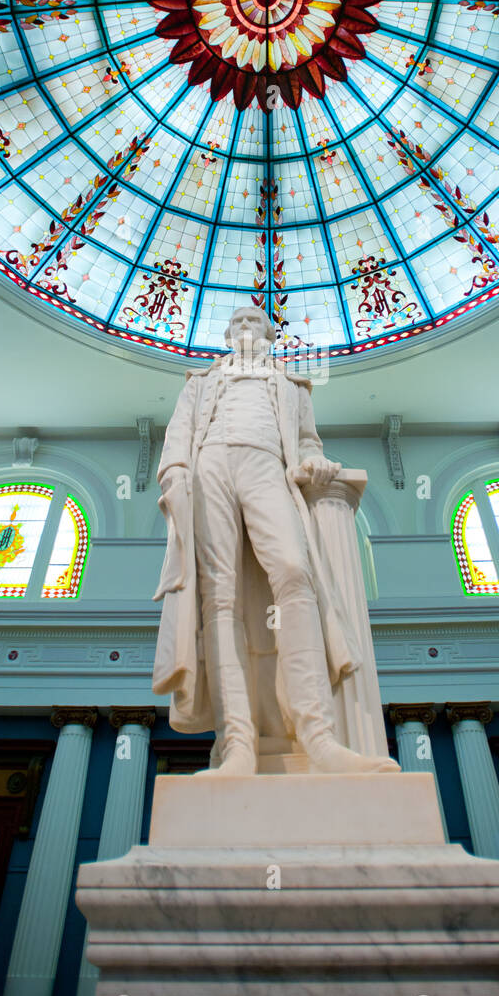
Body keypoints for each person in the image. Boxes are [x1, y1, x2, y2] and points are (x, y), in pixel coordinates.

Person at [153, 303, 399, 776]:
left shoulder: (291, 385)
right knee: (218, 595)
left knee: (293, 571)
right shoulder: (200, 382)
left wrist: (315, 461)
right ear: (228, 335)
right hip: (211, 466)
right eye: (238, 322)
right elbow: (177, 438)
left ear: (269, 334)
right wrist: (176, 472)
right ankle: (238, 742)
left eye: (255, 322)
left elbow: (307, 441)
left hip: (268, 465)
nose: (246, 327)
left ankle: (318, 736)